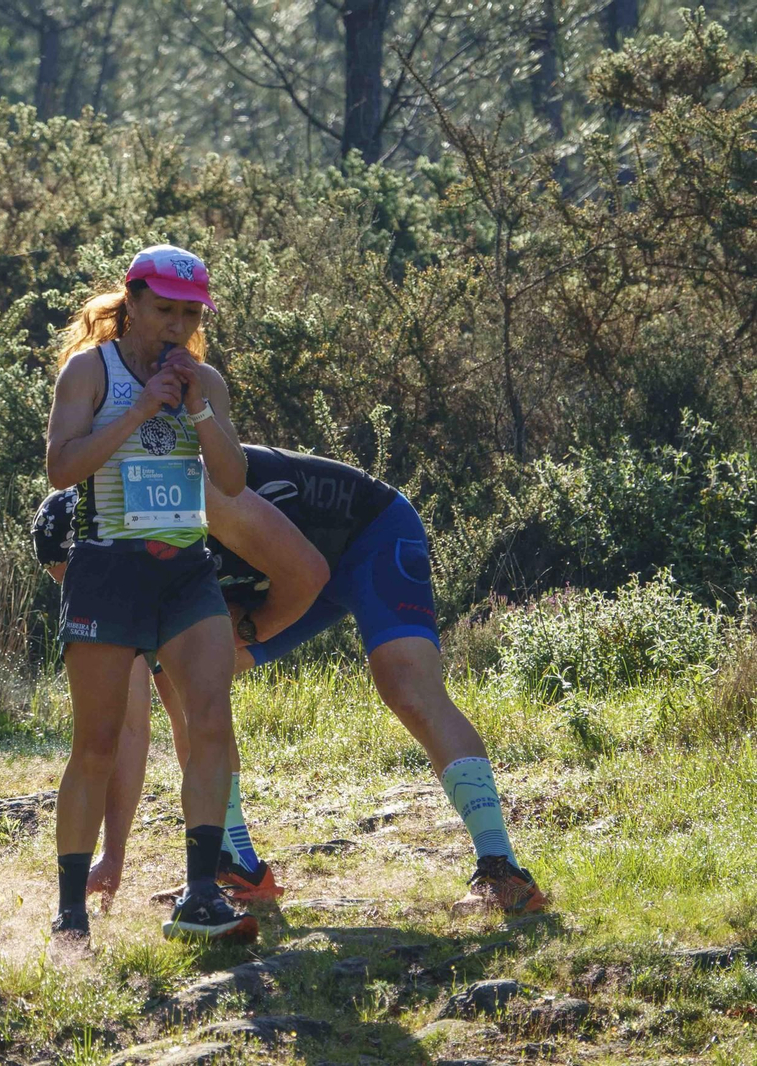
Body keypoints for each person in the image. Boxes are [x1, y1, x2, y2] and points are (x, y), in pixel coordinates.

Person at [33, 445, 549, 917]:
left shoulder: (177, 495)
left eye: (81, 580)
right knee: (183, 683)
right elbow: (127, 726)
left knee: (407, 687)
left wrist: (248, 634)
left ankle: (502, 870)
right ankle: (236, 868)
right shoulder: (117, 564)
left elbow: (307, 571)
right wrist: (113, 856)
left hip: (367, 534)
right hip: (290, 569)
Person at [43, 243, 256, 947]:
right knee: (97, 744)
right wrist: (137, 412)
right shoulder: (89, 371)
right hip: (108, 571)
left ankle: (201, 895)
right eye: (164, 309)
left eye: (190, 313)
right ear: (131, 302)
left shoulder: (207, 381)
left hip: (186, 572)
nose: (177, 324)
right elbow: (60, 469)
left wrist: (197, 409)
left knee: (211, 725)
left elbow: (230, 480)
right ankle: (71, 913)